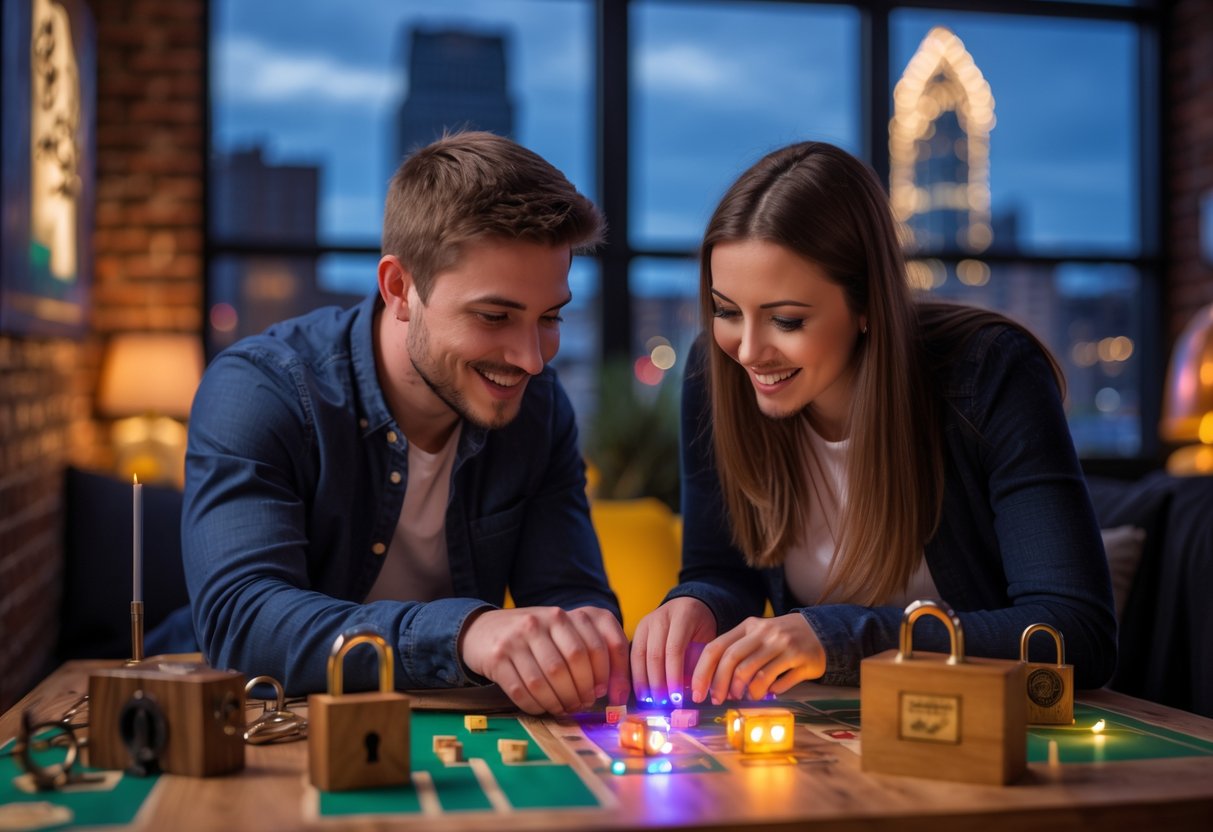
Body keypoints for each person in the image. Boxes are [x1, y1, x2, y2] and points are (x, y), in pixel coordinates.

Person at [630, 141, 1117, 707]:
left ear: (867, 305)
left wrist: (838, 637)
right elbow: (725, 570)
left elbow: (1075, 633)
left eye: (786, 319)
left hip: (989, 730)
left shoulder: (989, 373)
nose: (748, 351)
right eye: (726, 311)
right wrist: (697, 604)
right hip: (833, 734)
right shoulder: (712, 374)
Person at [181, 131, 629, 715]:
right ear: (399, 288)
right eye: (494, 315)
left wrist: (585, 640)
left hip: (460, 741)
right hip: (267, 732)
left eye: (550, 317)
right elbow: (242, 624)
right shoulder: (262, 391)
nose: (531, 358)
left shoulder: (537, 407)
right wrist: (465, 634)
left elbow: (569, 596)